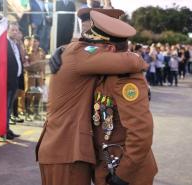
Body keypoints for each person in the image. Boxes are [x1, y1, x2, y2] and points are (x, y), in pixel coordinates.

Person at [36, 8, 148, 185]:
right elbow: (131, 61)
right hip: (66, 149)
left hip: (69, 150)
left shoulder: (79, 53)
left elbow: (140, 129)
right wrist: (139, 59)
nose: (88, 41)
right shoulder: (84, 54)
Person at [89, 11, 158, 185]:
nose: (88, 51)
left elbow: (140, 132)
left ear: (110, 49)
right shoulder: (103, 73)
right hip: (106, 165)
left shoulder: (125, 80)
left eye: (93, 46)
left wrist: (123, 175)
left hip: (128, 172)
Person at [5, 22, 22, 139]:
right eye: (13, 30)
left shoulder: (15, 44)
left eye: (16, 30)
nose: (15, 32)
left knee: (9, 107)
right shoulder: (4, 43)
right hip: (7, 82)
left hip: (15, 80)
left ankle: (6, 129)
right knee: (6, 107)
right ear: (7, 30)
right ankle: (4, 130)